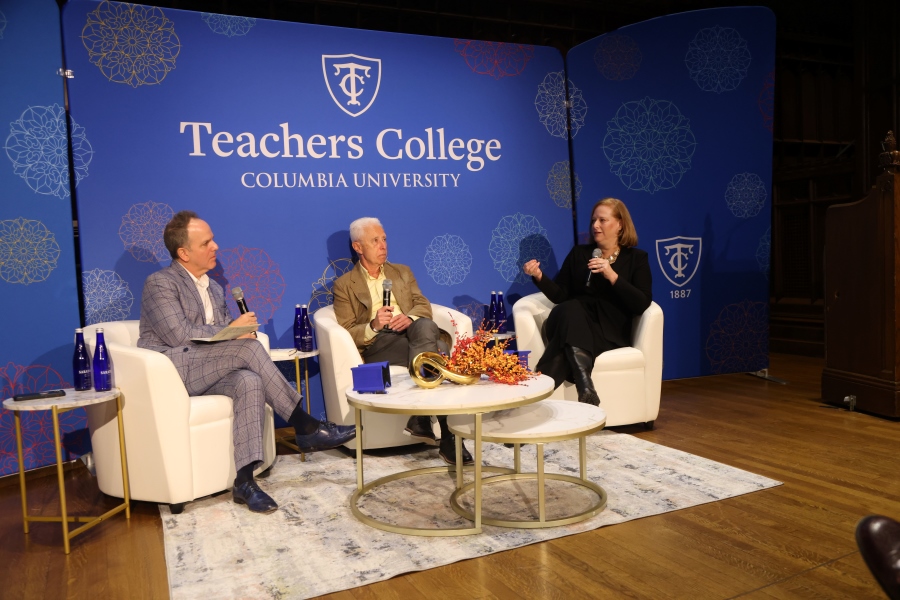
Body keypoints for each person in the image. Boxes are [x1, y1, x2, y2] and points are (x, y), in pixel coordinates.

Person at [138, 211, 356, 514]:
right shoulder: (160, 283)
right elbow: (178, 336)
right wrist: (234, 332)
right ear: (184, 253)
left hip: (206, 368)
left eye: (213, 240)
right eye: (206, 243)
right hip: (171, 372)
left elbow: (226, 336)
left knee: (249, 380)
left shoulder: (213, 288)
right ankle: (305, 426)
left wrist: (238, 331)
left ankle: (244, 481)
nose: (215, 246)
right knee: (249, 349)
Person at [332, 217, 474, 465]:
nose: (383, 245)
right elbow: (346, 330)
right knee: (438, 349)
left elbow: (422, 304)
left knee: (427, 327)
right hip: (379, 345)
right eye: (375, 240)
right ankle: (444, 434)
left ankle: (428, 423)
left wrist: (408, 318)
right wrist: (374, 325)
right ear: (358, 247)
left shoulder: (402, 272)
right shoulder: (344, 285)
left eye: (384, 239)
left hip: (413, 334)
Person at [523, 197, 652, 406]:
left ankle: (526, 408)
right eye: (593, 220)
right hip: (570, 318)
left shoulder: (637, 258)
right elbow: (560, 296)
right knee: (571, 307)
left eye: (602, 220)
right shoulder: (579, 253)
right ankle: (585, 386)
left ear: (620, 224)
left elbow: (642, 302)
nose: (595, 226)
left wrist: (612, 275)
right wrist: (539, 276)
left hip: (608, 331)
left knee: (561, 352)